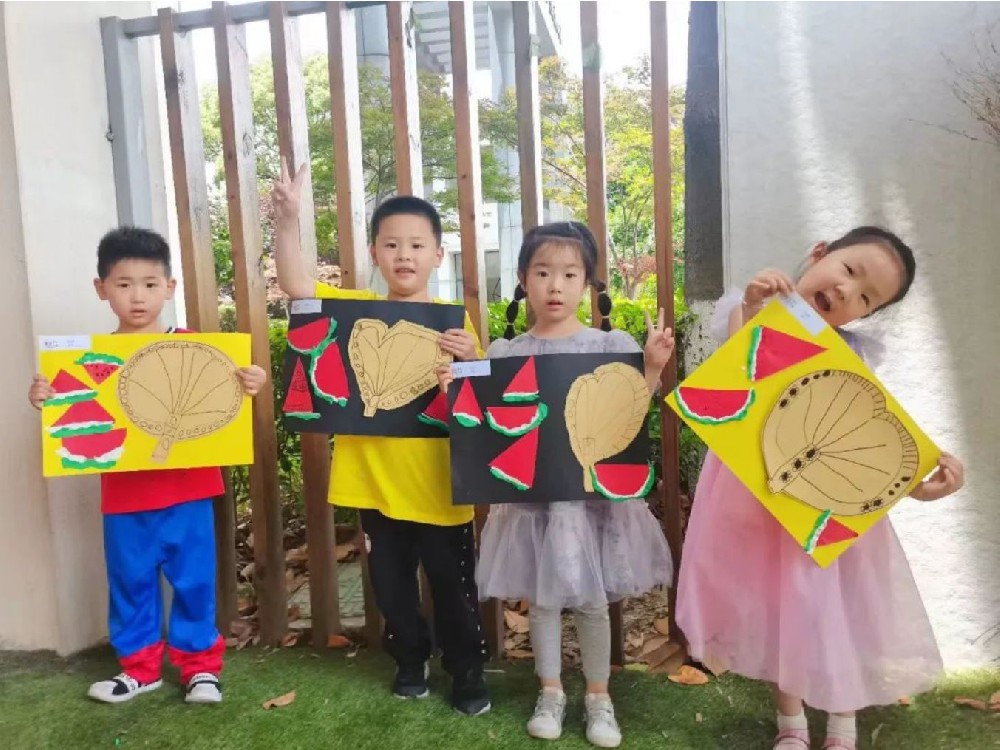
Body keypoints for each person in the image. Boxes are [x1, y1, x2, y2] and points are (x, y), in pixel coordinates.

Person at [675, 227, 966, 750]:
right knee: (780, 608)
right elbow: (738, 366)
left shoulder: (850, 357)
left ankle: (841, 724)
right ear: (819, 254)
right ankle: (791, 724)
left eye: (867, 298)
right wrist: (751, 303)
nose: (850, 294)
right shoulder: (752, 311)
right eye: (850, 271)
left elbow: (865, 444)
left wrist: (920, 488)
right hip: (756, 498)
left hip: (826, 503)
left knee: (830, 609)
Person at [438, 221, 675, 748]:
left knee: (592, 601)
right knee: (543, 603)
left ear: (587, 282)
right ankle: (550, 691)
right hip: (532, 504)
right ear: (524, 279)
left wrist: (653, 367)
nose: (555, 285)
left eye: (569, 274)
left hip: (591, 504)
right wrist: (455, 387)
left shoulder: (609, 345)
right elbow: (483, 422)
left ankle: (598, 697)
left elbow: (626, 414)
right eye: (543, 272)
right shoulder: (502, 354)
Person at [271, 161, 491, 715]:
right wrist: (288, 221)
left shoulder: (457, 323)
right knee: (391, 590)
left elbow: (479, 406)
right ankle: (410, 661)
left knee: (454, 590)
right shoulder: (350, 312)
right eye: (392, 244)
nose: (405, 255)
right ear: (374, 253)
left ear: (438, 254)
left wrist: (469, 364)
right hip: (373, 486)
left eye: (418, 244)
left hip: (443, 489)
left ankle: (466, 671)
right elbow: (297, 287)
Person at [28, 226, 268, 704]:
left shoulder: (200, 350)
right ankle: (139, 669)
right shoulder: (84, 360)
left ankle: (201, 668)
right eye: (123, 284)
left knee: (195, 581)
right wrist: (44, 397)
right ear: (101, 289)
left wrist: (252, 380)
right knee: (130, 583)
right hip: (124, 496)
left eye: (150, 284)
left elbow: (228, 396)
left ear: (170, 288)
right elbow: (72, 412)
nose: (137, 296)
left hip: (191, 492)